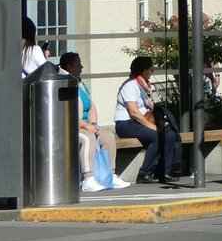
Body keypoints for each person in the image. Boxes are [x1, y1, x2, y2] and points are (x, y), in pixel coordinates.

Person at [59, 52, 130, 191]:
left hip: (85, 126)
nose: (82, 67)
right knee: (88, 137)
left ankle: (110, 175)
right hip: (69, 127)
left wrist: (93, 124)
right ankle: (88, 178)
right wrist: (87, 126)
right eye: (79, 64)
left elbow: (91, 107)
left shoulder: (80, 84)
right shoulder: (63, 83)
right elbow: (67, 113)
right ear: (69, 67)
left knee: (108, 136)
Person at [113, 56, 181, 184]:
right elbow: (134, 113)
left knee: (171, 134)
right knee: (157, 136)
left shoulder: (141, 86)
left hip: (138, 122)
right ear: (144, 71)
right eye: (151, 69)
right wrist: (154, 127)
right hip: (126, 124)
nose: (152, 72)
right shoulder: (130, 86)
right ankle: (144, 173)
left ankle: (164, 172)